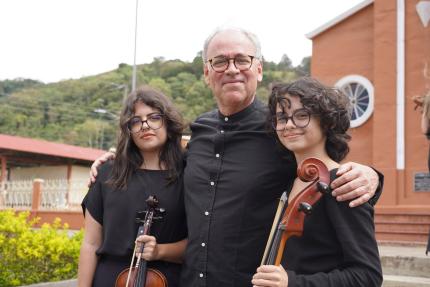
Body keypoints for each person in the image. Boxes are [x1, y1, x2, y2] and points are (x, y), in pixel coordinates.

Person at [89, 27, 383, 286]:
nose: (231, 69)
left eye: (242, 59)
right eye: (219, 61)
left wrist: (372, 176)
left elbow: (322, 164)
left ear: (259, 69)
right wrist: (116, 157)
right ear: (206, 72)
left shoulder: (280, 129)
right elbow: (158, 154)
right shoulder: (199, 131)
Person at [251, 78, 382, 287]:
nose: (290, 125)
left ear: (327, 122)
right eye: (282, 118)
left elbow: (367, 276)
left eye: (302, 116)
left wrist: (292, 283)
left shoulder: (343, 183)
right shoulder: (290, 181)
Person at [78, 86, 187, 287]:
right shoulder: (107, 174)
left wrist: (160, 251)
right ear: (128, 130)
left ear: (168, 122)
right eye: (135, 121)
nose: (145, 126)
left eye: (154, 117)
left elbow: (199, 243)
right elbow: (90, 243)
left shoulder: (189, 175)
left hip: (167, 280)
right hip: (109, 279)